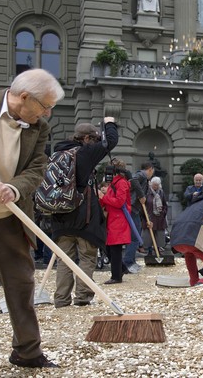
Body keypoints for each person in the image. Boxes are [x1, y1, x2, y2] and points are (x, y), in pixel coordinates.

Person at [0, 68, 64, 368]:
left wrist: (14, 188)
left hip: (10, 219)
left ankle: (27, 353)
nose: (48, 113)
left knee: (21, 286)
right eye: (45, 106)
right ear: (25, 97)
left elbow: (37, 167)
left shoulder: (39, 128)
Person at [52, 117, 118, 308]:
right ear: (87, 138)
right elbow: (111, 141)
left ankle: (61, 299)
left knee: (64, 260)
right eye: (94, 140)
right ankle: (82, 297)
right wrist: (110, 122)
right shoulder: (84, 152)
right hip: (83, 217)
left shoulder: (58, 152)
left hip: (59, 216)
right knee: (87, 257)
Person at [100, 158, 132, 284]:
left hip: (118, 218)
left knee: (114, 248)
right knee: (110, 247)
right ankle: (121, 269)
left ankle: (116, 276)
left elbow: (120, 202)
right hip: (113, 218)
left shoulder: (121, 183)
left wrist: (103, 198)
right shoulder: (115, 182)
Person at [125, 161, 154, 273]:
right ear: (150, 169)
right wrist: (141, 195)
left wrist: (148, 220)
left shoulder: (144, 178)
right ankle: (128, 262)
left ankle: (131, 260)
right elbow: (134, 180)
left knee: (135, 236)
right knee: (135, 237)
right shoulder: (141, 174)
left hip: (135, 210)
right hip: (132, 208)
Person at [141, 176, 167, 254]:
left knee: (159, 236)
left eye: (157, 185)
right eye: (154, 185)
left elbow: (165, 204)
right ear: (151, 184)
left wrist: (163, 213)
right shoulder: (146, 192)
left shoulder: (161, 192)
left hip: (159, 218)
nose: (156, 186)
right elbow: (143, 206)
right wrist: (146, 218)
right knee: (148, 237)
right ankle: (149, 251)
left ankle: (158, 250)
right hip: (149, 217)